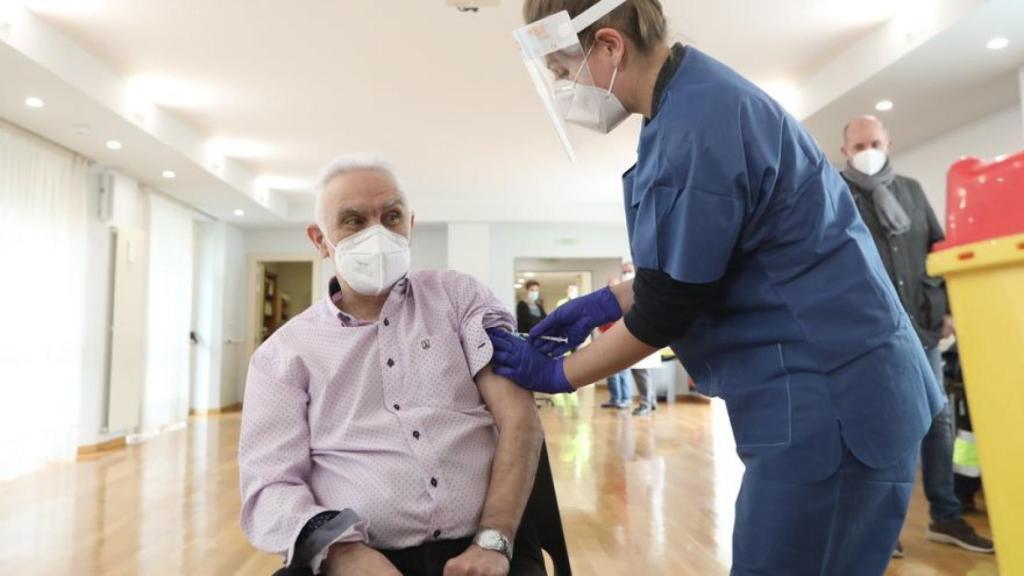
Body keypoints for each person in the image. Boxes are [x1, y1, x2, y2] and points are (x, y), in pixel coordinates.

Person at [490, 2, 944, 574]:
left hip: (832, 399)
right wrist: (605, 301)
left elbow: (666, 309)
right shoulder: (690, 104)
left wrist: (557, 375)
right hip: (826, 390)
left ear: (609, 46)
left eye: (562, 70)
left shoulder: (697, 125)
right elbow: (699, 266)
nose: (562, 87)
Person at [239, 155, 546, 576]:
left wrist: (494, 539)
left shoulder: (459, 300)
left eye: (391, 216)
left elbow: (519, 417)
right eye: (353, 220)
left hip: (483, 543)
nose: (377, 234)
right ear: (320, 239)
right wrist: (343, 553)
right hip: (354, 554)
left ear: (410, 223)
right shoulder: (283, 356)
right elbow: (269, 488)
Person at [840, 116, 993, 555]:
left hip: (922, 328)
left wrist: (945, 309)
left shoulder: (909, 190)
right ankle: (881, 531)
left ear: (889, 142)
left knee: (938, 423)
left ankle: (946, 515)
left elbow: (936, 248)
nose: (869, 150)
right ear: (846, 152)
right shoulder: (835, 194)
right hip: (871, 334)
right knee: (884, 428)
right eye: (859, 145)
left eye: (875, 142)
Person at [598, 277, 632, 409]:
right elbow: (600, 320)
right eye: (610, 286)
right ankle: (615, 399)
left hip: (623, 340)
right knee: (610, 372)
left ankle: (626, 399)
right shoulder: (604, 303)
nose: (612, 288)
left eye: (615, 285)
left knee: (623, 372)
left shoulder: (627, 301)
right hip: (608, 340)